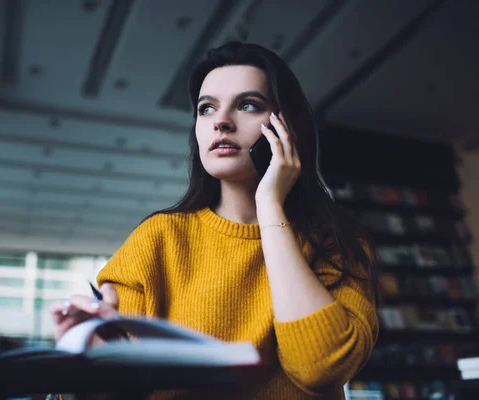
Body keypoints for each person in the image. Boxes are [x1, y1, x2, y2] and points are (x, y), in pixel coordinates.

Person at [50, 41, 379, 399]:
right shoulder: (157, 239)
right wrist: (88, 352)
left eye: (248, 105)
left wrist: (269, 205)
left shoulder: (336, 241)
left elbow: (321, 368)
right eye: (206, 109)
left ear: (288, 126)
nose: (221, 121)